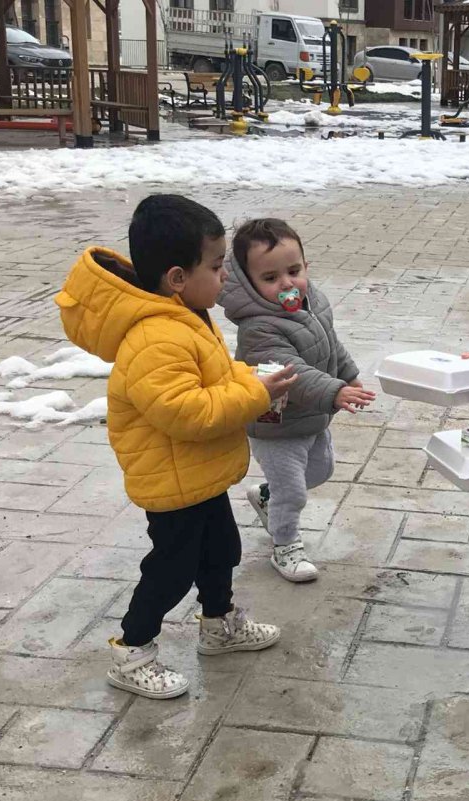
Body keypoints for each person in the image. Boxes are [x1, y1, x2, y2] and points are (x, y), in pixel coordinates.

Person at [56, 194, 297, 699]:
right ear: (177, 277)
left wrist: (248, 376)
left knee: (221, 552)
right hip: (171, 479)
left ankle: (219, 625)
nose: (225, 275)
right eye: (215, 266)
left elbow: (214, 374)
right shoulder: (156, 337)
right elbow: (188, 414)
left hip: (197, 474)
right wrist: (256, 393)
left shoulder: (187, 315)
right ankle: (132, 651)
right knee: (171, 570)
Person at [219, 218, 374, 582]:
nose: (287, 284)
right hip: (275, 425)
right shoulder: (259, 326)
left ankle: (267, 496)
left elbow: (330, 344)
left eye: (294, 270)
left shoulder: (310, 303)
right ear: (249, 284)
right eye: (271, 278)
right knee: (294, 494)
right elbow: (293, 372)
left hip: (311, 416)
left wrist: (347, 373)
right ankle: (285, 544)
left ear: (306, 265)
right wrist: (334, 391)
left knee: (321, 471)